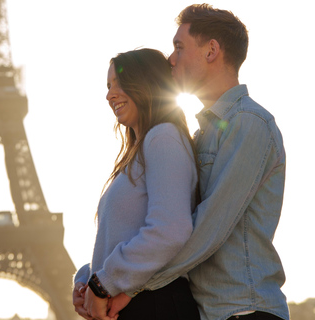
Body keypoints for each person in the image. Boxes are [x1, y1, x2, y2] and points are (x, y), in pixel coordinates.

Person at [105, 4, 290, 320]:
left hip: (244, 311)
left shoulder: (248, 123)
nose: (171, 59)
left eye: (179, 47)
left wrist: (130, 286)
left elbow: (209, 227)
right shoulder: (200, 136)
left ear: (211, 51)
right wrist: (96, 274)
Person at [72, 48, 200, 320]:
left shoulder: (163, 137)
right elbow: (122, 235)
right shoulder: (140, 152)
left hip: (155, 304)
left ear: (147, 83)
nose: (109, 95)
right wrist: (86, 280)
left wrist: (102, 283)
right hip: (141, 303)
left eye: (119, 83)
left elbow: (170, 230)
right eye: (108, 87)